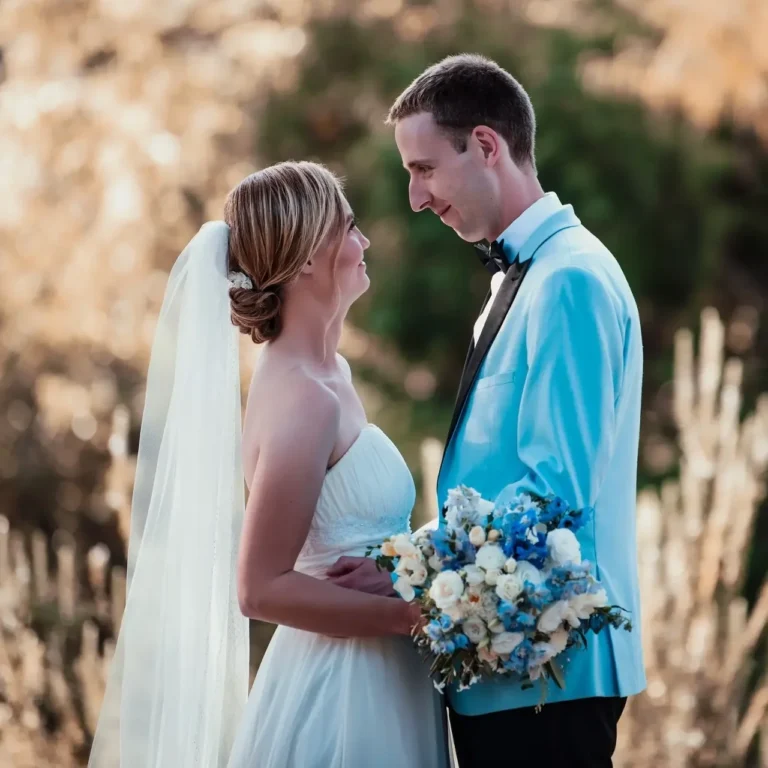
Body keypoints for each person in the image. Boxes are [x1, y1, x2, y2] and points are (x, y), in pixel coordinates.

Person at [330, 54, 647, 767]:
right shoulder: (527, 276)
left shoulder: (570, 281)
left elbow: (554, 493)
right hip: (508, 674)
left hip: (552, 678)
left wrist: (408, 569)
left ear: (484, 145)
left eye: (424, 169)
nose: (416, 198)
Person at [87, 161, 448, 768]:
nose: (362, 243)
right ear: (307, 258)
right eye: (350, 227)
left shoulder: (332, 376)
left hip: (383, 674)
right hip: (345, 690)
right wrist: (410, 615)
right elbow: (259, 588)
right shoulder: (304, 396)